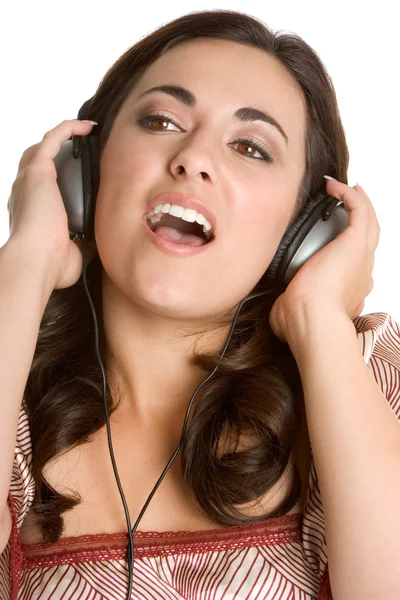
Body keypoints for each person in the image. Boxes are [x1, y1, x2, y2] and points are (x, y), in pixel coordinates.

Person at [1, 9, 400, 600]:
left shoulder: (364, 379)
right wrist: (26, 261)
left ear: (304, 230)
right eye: (161, 120)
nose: (193, 159)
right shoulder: (13, 390)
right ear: (83, 172)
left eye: (251, 147)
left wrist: (318, 319)